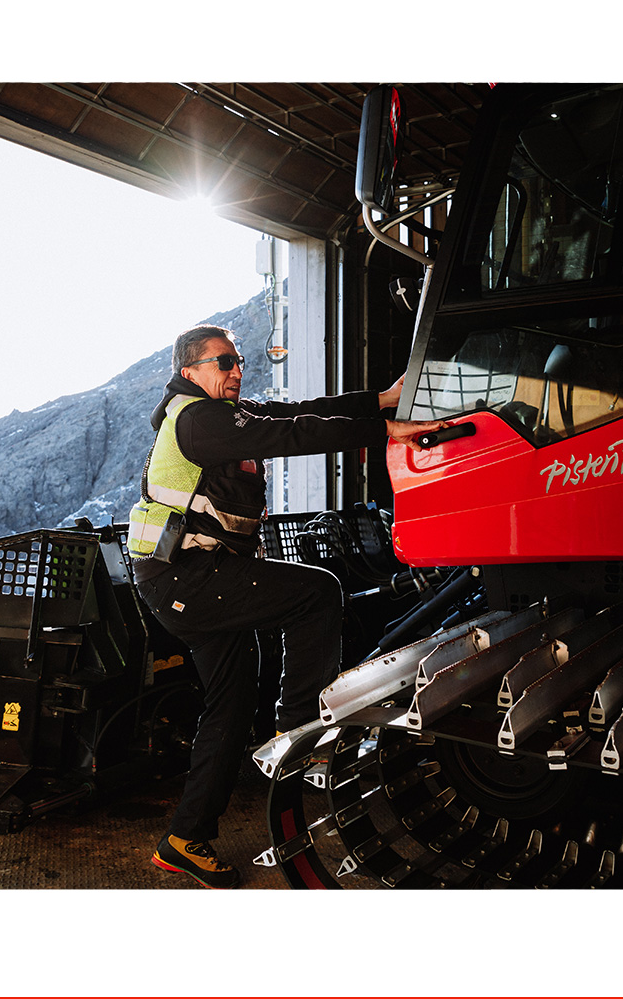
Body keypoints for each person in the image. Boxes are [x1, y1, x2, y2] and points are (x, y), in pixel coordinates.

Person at [127, 323, 443, 889]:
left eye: (238, 360)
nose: (236, 370)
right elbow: (294, 434)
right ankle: (299, 728)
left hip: (194, 576)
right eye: (222, 362)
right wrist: (387, 429)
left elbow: (297, 410)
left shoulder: (224, 415)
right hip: (186, 578)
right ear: (189, 371)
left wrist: (380, 400)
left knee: (229, 705)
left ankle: (183, 840)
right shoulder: (198, 421)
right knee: (316, 591)